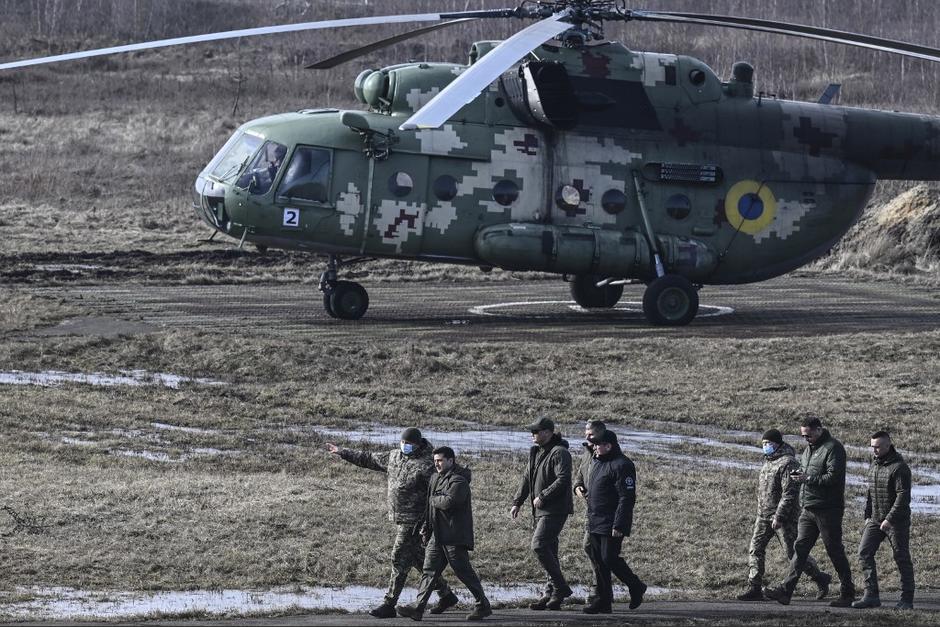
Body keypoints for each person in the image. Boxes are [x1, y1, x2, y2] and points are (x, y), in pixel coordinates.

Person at [326, 428, 457, 618]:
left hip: (415, 521)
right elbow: (369, 458)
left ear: (418, 444)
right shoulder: (394, 456)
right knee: (417, 559)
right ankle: (446, 595)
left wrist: (429, 521)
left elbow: (442, 488)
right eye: (402, 443)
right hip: (401, 518)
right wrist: (342, 452)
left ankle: (389, 604)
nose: (405, 446)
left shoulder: (428, 464)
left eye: (409, 444)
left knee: (398, 557)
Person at [765, 417, 856, 607]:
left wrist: (807, 478)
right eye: (803, 435)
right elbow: (806, 471)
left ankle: (848, 592)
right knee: (800, 549)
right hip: (808, 508)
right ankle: (786, 591)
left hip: (828, 509)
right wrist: (799, 476)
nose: (805, 439)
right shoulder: (809, 449)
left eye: (808, 435)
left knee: (834, 550)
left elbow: (833, 477)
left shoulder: (833, 448)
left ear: (819, 430)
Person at [397, 447, 493, 621]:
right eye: (435, 461)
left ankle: (483, 605)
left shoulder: (459, 481)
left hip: (454, 535)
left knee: (463, 571)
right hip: (437, 534)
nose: (437, 464)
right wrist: (426, 526)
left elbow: (450, 502)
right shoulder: (435, 478)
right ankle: (418, 608)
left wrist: (433, 499)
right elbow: (430, 508)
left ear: (451, 460)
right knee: (429, 571)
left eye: (440, 460)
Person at [737, 428, 831, 601]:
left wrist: (779, 516)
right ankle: (754, 587)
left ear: (777, 443)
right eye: (763, 444)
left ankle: (820, 578)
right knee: (755, 549)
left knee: (793, 553)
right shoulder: (768, 462)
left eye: (768, 443)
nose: (765, 446)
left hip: (784, 518)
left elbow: (790, 492)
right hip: (763, 516)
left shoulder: (789, 463)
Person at [510, 416, 574, 610]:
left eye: (536, 431)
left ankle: (560, 587)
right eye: (532, 431)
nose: (532, 434)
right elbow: (526, 479)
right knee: (550, 551)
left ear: (548, 432)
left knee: (538, 545)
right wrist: (517, 502)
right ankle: (551, 594)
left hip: (554, 509)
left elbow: (563, 478)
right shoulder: (536, 452)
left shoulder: (560, 452)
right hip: (539, 510)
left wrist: (543, 496)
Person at [583, 430, 647, 614]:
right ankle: (603, 601)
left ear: (609, 446)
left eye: (598, 444)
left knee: (609, 557)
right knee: (599, 561)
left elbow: (626, 498)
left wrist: (619, 524)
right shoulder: (598, 462)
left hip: (611, 522)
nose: (594, 447)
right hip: (595, 520)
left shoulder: (622, 465)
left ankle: (635, 585)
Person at [852, 431, 914, 610]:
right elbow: (871, 492)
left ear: (888, 445)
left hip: (896, 521)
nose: (874, 450)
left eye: (877, 447)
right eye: (872, 447)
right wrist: (867, 515)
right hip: (875, 519)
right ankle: (871, 596)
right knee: (864, 552)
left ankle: (907, 599)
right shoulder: (875, 464)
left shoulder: (899, 468)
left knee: (901, 557)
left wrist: (889, 519)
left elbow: (903, 497)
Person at [573, 420, 607, 606]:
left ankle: (599, 589)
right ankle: (601, 589)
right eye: (586, 433)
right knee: (590, 547)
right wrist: (578, 488)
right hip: (591, 510)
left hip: (604, 512)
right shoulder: (587, 453)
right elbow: (579, 477)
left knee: (598, 550)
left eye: (591, 434)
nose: (587, 437)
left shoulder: (606, 452)